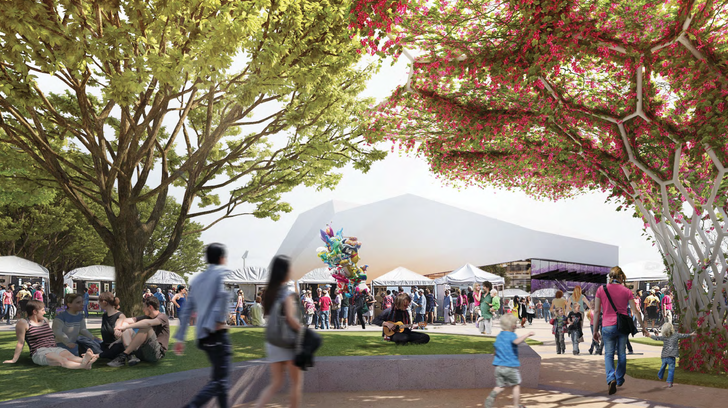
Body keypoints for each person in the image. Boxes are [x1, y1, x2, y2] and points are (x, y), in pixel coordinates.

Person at [174, 243, 232, 408]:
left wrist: (180, 337)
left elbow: (187, 311)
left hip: (203, 337)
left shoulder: (197, 280)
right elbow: (222, 295)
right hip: (217, 334)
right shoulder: (221, 272)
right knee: (221, 381)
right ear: (222, 258)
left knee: (220, 380)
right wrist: (220, 320)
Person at [254, 255, 304, 408]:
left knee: (275, 383)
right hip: (288, 343)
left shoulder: (268, 293)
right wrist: (303, 330)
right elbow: (290, 318)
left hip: (273, 342)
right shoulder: (287, 294)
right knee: (296, 384)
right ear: (285, 271)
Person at [593, 266, 648, 395]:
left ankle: (611, 378)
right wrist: (643, 328)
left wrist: (595, 330)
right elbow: (635, 311)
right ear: (621, 277)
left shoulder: (601, 289)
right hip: (622, 326)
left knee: (609, 354)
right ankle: (619, 378)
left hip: (607, 326)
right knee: (622, 353)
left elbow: (596, 311)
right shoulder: (626, 291)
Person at [3, 300, 98, 369]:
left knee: (71, 357)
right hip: (39, 351)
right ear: (35, 312)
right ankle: (83, 365)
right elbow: (20, 342)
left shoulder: (45, 320)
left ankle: (86, 361)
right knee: (62, 360)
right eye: (43, 310)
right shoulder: (23, 323)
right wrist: (14, 359)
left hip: (54, 347)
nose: (45, 312)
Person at [484, 313, 535, 408]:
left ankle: (492, 396)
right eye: (516, 323)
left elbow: (496, 347)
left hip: (499, 367)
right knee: (516, 385)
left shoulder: (499, 336)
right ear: (512, 326)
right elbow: (516, 341)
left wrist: (494, 354)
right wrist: (527, 335)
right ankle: (516, 405)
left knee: (500, 386)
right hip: (510, 367)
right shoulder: (512, 335)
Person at [107, 296, 170, 367]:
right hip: (141, 351)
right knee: (126, 325)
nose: (143, 309)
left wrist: (125, 327)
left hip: (156, 353)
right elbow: (124, 320)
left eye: (144, 307)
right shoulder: (146, 317)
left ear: (150, 307)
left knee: (146, 328)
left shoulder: (162, 317)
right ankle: (131, 355)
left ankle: (124, 355)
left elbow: (148, 323)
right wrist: (117, 328)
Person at [650, 322, 696, 388]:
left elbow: (657, 338)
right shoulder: (676, 335)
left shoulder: (664, 337)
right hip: (671, 356)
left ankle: (660, 375)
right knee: (671, 370)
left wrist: (650, 335)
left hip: (664, 356)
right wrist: (691, 334)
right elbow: (683, 335)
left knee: (663, 366)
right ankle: (669, 382)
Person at [98, 292, 126, 360]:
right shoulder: (104, 315)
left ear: (104, 302)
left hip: (116, 346)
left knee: (116, 348)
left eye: (99, 301)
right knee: (83, 340)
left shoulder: (120, 316)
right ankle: (101, 354)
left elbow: (125, 337)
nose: (98, 303)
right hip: (105, 345)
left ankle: (99, 355)